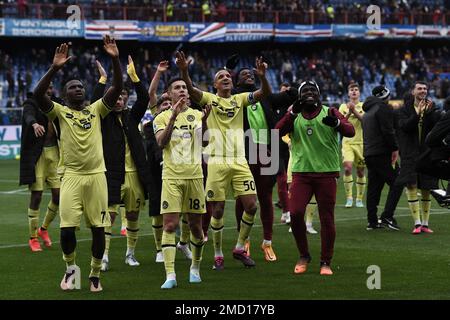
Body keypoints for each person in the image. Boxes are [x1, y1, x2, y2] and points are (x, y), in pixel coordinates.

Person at [33, 36, 123, 292]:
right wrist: (55, 68)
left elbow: (116, 88)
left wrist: (115, 59)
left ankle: (95, 275)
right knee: (67, 230)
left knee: (98, 230)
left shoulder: (96, 109)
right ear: (63, 95)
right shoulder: (59, 112)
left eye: (81, 86)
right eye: (72, 87)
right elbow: (38, 94)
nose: (78, 89)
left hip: (97, 176)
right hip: (71, 176)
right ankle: (71, 271)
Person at [176, 51, 271, 270]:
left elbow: (263, 93)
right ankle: (218, 254)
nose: (226, 78)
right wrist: (184, 71)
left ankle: (239, 247)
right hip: (217, 161)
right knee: (217, 211)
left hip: (239, 160)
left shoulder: (239, 99)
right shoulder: (211, 99)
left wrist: (263, 77)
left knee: (251, 205)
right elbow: (191, 90)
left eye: (228, 76)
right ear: (215, 84)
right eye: (221, 77)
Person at [275, 80, 355, 276]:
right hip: (302, 174)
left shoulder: (330, 112)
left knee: (327, 219)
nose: (309, 93)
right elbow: (276, 132)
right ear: (299, 95)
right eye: (305, 90)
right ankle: (304, 255)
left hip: (326, 174)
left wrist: (337, 123)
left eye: (313, 90)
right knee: (295, 214)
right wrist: (292, 113)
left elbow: (350, 130)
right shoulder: (294, 115)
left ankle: (325, 261)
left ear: (319, 94)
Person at [153, 78, 211, 289]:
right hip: (171, 177)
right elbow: (161, 142)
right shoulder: (161, 117)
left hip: (195, 177)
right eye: (177, 88)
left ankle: (194, 268)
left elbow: (205, 142)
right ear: (169, 93)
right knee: (170, 224)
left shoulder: (197, 115)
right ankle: (170, 275)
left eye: (184, 87)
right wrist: (174, 116)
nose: (182, 90)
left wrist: (205, 121)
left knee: (196, 227)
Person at [99, 55, 151, 271]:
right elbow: (94, 100)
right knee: (109, 216)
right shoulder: (102, 117)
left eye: (122, 98)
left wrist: (134, 76)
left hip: (135, 175)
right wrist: (103, 81)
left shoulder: (132, 117)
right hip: (111, 175)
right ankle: (103, 256)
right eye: (116, 98)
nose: (119, 101)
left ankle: (130, 254)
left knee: (132, 216)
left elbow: (145, 98)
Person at [395, 82, 441, 234]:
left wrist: (428, 113)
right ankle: (417, 223)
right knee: (411, 186)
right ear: (413, 91)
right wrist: (417, 114)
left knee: (427, 187)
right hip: (409, 154)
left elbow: (437, 129)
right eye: (420, 88)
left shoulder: (432, 109)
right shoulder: (404, 110)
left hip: (426, 153)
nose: (423, 91)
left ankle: (426, 224)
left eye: (425, 89)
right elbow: (405, 127)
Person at [19, 86, 60, 252]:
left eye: (51, 88)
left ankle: (43, 229)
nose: (49, 90)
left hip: (56, 154)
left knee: (59, 196)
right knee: (37, 196)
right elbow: (28, 115)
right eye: (46, 88)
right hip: (38, 155)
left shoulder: (56, 104)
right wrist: (34, 123)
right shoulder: (31, 103)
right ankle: (33, 237)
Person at [362, 85, 403, 231]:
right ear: (387, 95)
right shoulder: (383, 108)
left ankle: (372, 221)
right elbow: (387, 131)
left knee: (374, 187)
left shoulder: (367, 111)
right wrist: (395, 148)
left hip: (369, 153)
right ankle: (387, 216)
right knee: (398, 181)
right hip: (382, 153)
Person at [339, 83, 366, 208]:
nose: (354, 92)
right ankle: (349, 198)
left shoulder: (364, 106)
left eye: (356, 89)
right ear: (348, 93)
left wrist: (354, 110)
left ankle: (359, 199)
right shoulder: (343, 106)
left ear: (359, 93)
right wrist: (349, 112)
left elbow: (364, 121)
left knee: (360, 172)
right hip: (347, 142)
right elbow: (341, 122)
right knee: (348, 168)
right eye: (351, 90)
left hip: (361, 143)